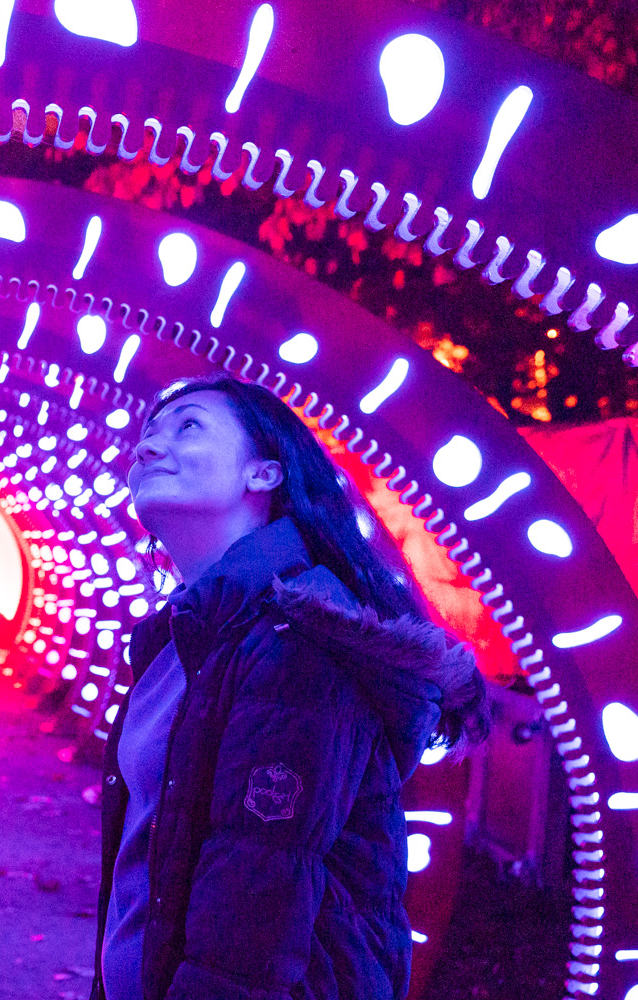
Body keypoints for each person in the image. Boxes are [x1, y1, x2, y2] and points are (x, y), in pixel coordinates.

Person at [93, 372, 489, 1000]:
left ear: (264, 474)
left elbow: (256, 904)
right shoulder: (184, 637)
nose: (145, 448)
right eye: (146, 434)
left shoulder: (296, 641)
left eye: (187, 425)